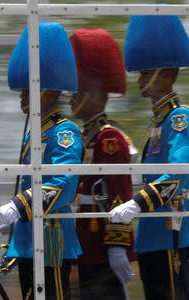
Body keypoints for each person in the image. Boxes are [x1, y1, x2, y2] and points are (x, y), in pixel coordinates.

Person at [0, 22, 83, 300]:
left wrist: (18, 206)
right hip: (29, 237)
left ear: (49, 92)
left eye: (28, 89)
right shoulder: (36, 131)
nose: (21, 96)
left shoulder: (63, 131)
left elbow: (64, 185)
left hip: (51, 239)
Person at [109, 15, 189, 300]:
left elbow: (178, 173)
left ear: (166, 74)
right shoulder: (157, 122)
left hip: (173, 234)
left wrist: (138, 202)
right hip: (152, 236)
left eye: (147, 73)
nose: (141, 79)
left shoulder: (179, 118)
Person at [69, 28, 137, 300]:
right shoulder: (88, 135)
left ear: (95, 92)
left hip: (102, 246)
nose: (72, 97)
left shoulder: (108, 137)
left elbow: (119, 191)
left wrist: (118, 244)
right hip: (86, 246)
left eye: (79, 90)